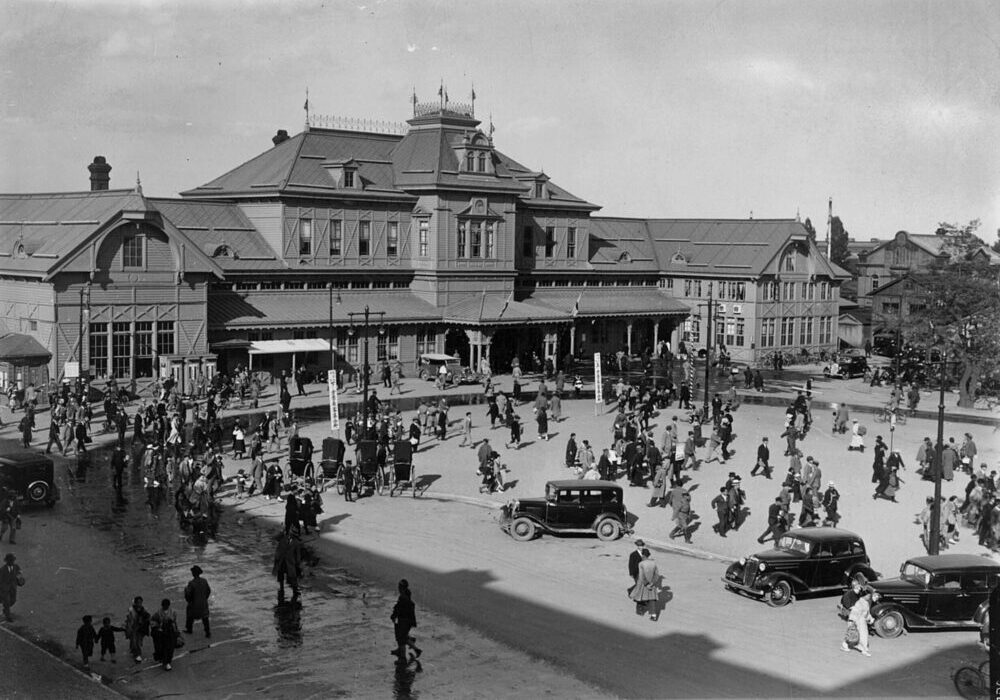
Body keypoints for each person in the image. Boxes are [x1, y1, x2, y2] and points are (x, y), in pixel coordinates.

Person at [390, 579, 422, 662]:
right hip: (407, 621)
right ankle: (407, 648)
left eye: (400, 587)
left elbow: (398, 609)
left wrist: (393, 616)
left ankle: (403, 657)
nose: (398, 589)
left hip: (404, 621)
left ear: (402, 588)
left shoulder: (403, 598)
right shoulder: (406, 596)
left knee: (401, 639)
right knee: (402, 637)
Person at [842, 589, 880, 656]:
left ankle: (847, 645)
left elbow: (867, 613)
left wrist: (870, 619)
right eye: (868, 596)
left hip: (862, 621)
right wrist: (851, 621)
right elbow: (854, 612)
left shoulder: (866, 602)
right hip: (858, 621)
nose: (869, 597)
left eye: (869, 596)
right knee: (859, 635)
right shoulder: (859, 603)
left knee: (858, 635)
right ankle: (864, 650)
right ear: (864, 596)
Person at [628, 548, 660, 620]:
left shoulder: (641, 564)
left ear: (643, 556)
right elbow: (657, 575)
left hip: (643, 584)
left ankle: (640, 612)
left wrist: (647, 584)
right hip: (652, 584)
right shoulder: (653, 563)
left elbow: (642, 576)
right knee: (652, 600)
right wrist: (652, 583)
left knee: (640, 598)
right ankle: (653, 615)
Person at [273, 527, 303, 603]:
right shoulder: (283, 537)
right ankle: (281, 588)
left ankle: (295, 591)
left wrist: (297, 563)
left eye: (293, 534)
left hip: (290, 562)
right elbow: (275, 538)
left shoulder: (297, 543)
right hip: (281, 560)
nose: (291, 534)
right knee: (280, 575)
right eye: (291, 533)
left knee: (292, 576)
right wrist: (281, 532)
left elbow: (298, 555)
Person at [183, 565, 211, 637]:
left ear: (193, 573)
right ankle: (207, 632)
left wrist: (185, 591)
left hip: (195, 605)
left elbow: (188, 595)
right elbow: (208, 591)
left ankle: (189, 629)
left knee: (189, 614)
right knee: (205, 618)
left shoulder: (191, 583)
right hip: (203, 603)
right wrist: (204, 598)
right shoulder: (204, 581)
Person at [150, 598, 178, 670]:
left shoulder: (173, 612)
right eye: (164, 606)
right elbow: (153, 621)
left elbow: (174, 622)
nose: (165, 607)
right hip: (162, 634)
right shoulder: (158, 613)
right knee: (164, 648)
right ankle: (166, 662)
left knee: (170, 648)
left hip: (170, 633)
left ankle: (167, 661)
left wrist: (176, 631)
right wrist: (158, 628)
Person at [124, 596, 150, 662]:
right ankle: (137, 654)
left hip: (140, 628)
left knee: (138, 641)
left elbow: (147, 618)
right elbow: (128, 620)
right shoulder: (131, 610)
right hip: (133, 628)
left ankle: (135, 651)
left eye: (140, 602)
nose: (139, 604)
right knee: (134, 641)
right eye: (138, 602)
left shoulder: (143, 610)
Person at [0, 552, 22, 622]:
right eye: (10, 561)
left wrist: (21, 581)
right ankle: (8, 616)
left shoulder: (16, 567)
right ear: (7, 561)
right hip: (5, 589)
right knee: (7, 601)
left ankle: (5, 609)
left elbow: (19, 576)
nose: (12, 562)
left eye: (12, 561)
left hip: (13, 588)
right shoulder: (2, 570)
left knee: (13, 601)